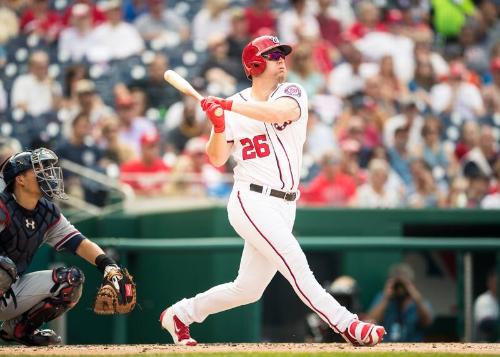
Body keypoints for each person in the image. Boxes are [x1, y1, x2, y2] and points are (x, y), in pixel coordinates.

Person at [159, 35, 386, 347]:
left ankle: (180, 315)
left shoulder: (291, 92)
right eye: (272, 55)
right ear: (254, 64)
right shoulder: (233, 108)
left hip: (285, 204)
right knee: (296, 265)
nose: (281, 59)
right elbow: (216, 158)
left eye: (281, 54)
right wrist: (220, 125)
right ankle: (348, 325)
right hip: (250, 199)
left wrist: (227, 106)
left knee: (247, 289)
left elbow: (278, 113)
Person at [0, 148, 133, 346]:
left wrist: (110, 267)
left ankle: (18, 330)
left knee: (70, 280)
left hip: (9, 293)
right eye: (39, 169)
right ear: (20, 179)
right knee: (4, 267)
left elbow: (80, 243)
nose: (47, 174)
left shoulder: (46, 211)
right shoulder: (2, 206)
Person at [366, 263, 433, 342]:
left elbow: (427, 322)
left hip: (413, 346)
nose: (400, 288)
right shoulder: (383, 298)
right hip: (387, 347)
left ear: (411, 283)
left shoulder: (419, 301)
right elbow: (371, 320)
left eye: (404, 284)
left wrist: (416, 298)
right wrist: (386, 298)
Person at [473, 269, 499, 342]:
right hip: (485, 344)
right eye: (496, 282)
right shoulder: (484, 299)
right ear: (489, 282)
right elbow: (486, 324)